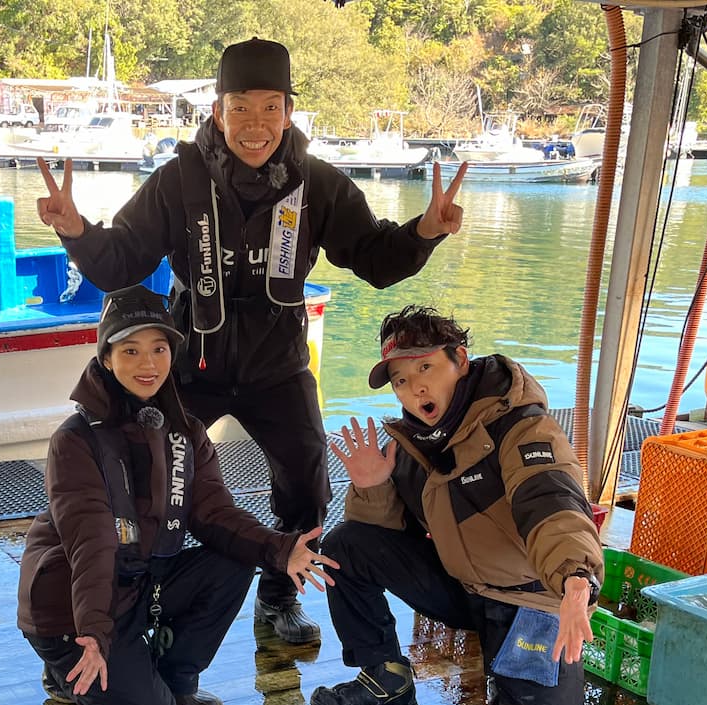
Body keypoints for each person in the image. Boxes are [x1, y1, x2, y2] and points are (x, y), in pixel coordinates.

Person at [34, 37, 465, 647]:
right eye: (241, 108)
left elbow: (373, 258)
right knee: (141, 461)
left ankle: (281, 594)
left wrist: (425, 229)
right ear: (218, 112)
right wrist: (75, 229)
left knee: (306, 468)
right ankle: (136, 586)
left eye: (270, 108)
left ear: (289, 112)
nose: (255, 125)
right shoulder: (179, 178)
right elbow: (119, 261)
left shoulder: (317, 183)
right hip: (193, 357)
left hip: (276, 361)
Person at [17, 286, 336, 705]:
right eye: (131, 350)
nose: (148, 364)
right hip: (70, 605)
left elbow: (214, 513)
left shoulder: (185, 429)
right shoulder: (75, 440)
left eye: (159, 349)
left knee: (232, 560)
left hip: (138, 581)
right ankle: (64, 665)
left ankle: (174, 676)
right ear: (107, 358)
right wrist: (92, 630)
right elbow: (90, 541)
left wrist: (280, 549)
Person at [311, 306, 603, 705]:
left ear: (460, 360)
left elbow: (550, 499)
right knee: (345, 543)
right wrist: (374, 487)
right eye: (400, 380)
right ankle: (386, 680)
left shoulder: (521, 428)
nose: (414, 388)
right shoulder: (413, 443)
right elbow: (380, 541)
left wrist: (575, 577)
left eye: (425, 368)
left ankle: (512, 695)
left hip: (526, 595)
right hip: (460, 585)